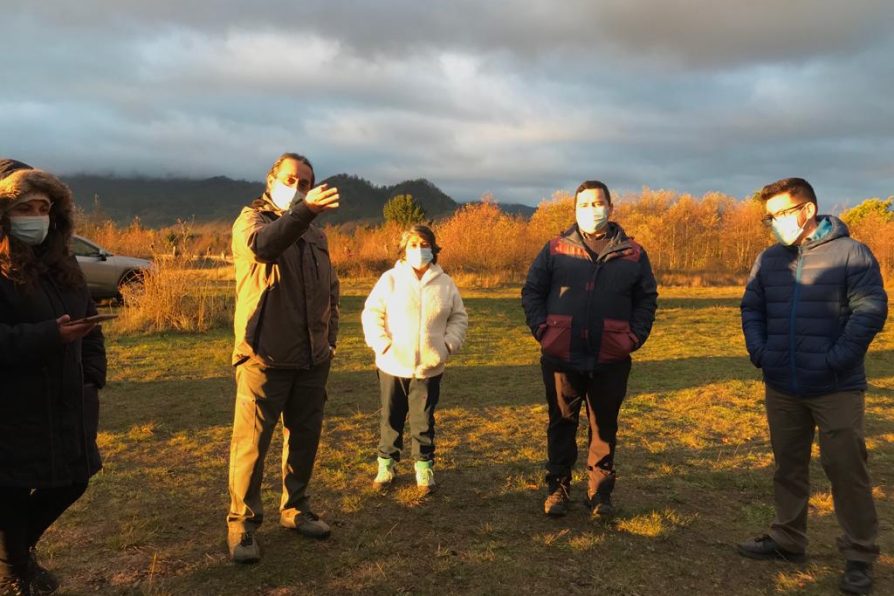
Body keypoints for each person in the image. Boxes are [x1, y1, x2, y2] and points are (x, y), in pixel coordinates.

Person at [738, 178, 887, 595]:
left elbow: (871, 309)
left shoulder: (851, 253)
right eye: (770, 217)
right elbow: (751, 307)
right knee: (788, 466)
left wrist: (836, 359)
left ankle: (859, 554)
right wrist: (761, 352)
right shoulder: (768, 260)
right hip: (782, 383)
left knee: (846, 469)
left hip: (836, 387)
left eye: (781, 214)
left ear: (807, 210)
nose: (775, 223)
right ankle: (788, 538)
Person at [226, 153, 340, 564]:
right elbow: (264, 247)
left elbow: (332, 290)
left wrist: (330, 339)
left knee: (305, 439)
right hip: (264, 356)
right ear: (272, 179)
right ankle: (242, 524)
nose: (299, 187)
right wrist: (306, 212)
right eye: (292, 179)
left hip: (312, 359)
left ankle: (295, 509)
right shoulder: (251, 221)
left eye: (307, 183)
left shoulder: (315, 235)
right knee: (252, 446)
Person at [0, 159, 107, 596]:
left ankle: (14, 556)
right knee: (10, 488)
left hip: (66, 397)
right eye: (26, 208)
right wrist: (49, 335)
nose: (37, 218)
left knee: (75, 479)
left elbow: (91, 324)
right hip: (12, 402)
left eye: (44, 208)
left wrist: (93, 375)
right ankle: (18, 567)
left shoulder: (64, 265)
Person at [522, 180, 658, 518]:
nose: (591, 210)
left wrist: (633, 338)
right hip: (562, 356)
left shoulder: (633, 253)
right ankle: (558, 488)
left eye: (597, 203)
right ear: (575, 210)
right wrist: (544, 332)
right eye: (584, 204)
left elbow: (646, 299)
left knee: (604, 426)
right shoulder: (555, 249)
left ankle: (600, 493)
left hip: (611, 357)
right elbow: (532, 291)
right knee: (561, 423)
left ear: (610, 208)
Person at [361, 225, 468, 495]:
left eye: (424, 244)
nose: (419, 249)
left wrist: (447, 345)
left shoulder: (445, 283)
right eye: (413, 244)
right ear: (403, 249)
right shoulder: (390, 279)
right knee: (391, 416)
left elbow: (459, 317)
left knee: (423, 420)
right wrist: (382, 345)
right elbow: (372, 313)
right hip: (392, 364)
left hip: (430, 366)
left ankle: (423, 466)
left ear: (433, 248)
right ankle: (386, 464)